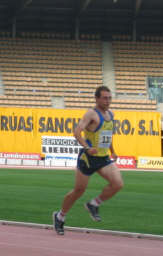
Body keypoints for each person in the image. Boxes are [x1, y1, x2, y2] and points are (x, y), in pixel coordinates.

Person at [52, 85, 123, 235]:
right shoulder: (91, 114)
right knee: (79, 191)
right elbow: (77, 132)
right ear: (96, 98)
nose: (107, 101)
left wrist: (113, 151)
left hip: (103, 158)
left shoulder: (111, 114)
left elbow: (107, 135)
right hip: (88, 158)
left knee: (118, 184)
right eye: (104, 98)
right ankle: (60, 216)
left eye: (109, 98)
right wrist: (87, 147)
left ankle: (93, 204)